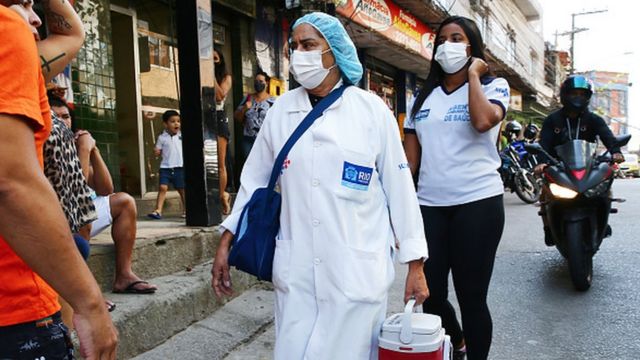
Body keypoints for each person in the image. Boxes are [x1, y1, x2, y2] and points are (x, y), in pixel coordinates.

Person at [212, 12, 429, 359]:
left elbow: (401, 191)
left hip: (356, 277)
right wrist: (226, 240)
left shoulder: (372, 112)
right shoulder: (281, 112)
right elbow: (253, 183)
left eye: (309, 45)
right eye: (294, 46)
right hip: (297, 275)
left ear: (335, 52)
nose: (299, 53)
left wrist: (415, 266)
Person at [0, 2, 118, 359]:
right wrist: (91, 303)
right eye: (25, 3)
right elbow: (10, 184)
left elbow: (71, 35)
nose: (36, 18)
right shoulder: (7, 30)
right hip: (14, 308)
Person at [403, 16, 511, 360]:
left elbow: (482, 122)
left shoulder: (494, 86)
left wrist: (475, 75)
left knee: (472, 296)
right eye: (442, 39)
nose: (448, 45)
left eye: (457, 38)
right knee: (431, 295)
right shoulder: (421, 99)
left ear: (472, 47)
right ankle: (458, 342)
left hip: (478, 203)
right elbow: (409, 165)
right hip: (430, 205)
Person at [49, 97, 158, 294]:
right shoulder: (48, 147)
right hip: (57, 222)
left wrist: (94, 150)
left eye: (66, 117)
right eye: (55, 117)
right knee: (83, 218)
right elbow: (73, 193)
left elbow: (106, 189)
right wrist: (83, 148)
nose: (62, 122)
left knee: (125, 201)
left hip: (80, 221)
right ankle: (83, 290)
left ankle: (124, 276)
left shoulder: (75, 146)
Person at [534, 75, 624, 245]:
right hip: (559, 166)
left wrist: (616, 152)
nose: (578, 97)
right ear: (564, 95)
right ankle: (547, 229)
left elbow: (608, 138)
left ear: (588, 97)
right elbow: (544, 143)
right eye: (574, 93)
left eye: (583, 94)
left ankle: (603, 222)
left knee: (606, 184)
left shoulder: (594, 119)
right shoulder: (553, 120)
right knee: (544, 194)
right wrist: (541, 162)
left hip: (588, 164)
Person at [148, 110, 186, 219]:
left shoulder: (181, 136)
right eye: (173, 121)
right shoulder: (162, 138)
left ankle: (186, 209)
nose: (176, 124)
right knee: (162, 188)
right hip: (165, 167)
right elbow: (157, 150)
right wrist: (156, 151)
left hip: (179, 167)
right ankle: (158, 210)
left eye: (178, 121)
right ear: (165, 124)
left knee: (182, 190)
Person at [234, 70, 276, 158]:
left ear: (266, 83)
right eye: (256, 81)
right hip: (248, 140)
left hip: (265, 141)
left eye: (261, 81)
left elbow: (277, 121)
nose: (258, 84)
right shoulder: (248, 98)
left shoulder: (273, 101)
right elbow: (237, 117)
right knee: (248, 165)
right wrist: (244, 109)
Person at [212, 47, 233, 215]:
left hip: (218, 118)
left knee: (220, 163)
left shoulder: (226, 78)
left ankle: (221, 197)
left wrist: (209, 74)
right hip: (203, 119)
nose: (211, 61)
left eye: (215, 59)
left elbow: (219, 96)